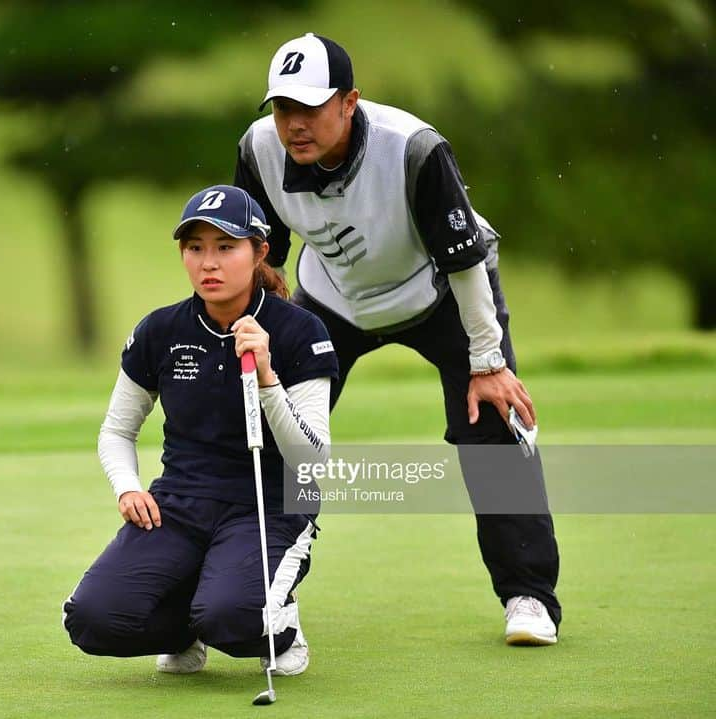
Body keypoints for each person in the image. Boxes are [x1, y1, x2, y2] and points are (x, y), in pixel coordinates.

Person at [233, 33, 561, 645]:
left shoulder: (412, 149)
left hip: (437, 292)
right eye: (282, 109)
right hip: (332, 299)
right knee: (265, 427)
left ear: (349, 102)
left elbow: (464, 261)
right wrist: (260, 345)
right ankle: (260, 594)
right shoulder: (258, 150)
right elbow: (262, 261)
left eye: (309, 108)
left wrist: (486, 359)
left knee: (488, 423)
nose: (293, 125)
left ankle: (528, 596)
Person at [62, 184, 339, 675]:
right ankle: (185, 630)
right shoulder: (161, 331)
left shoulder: (300, 331)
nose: (208, 263)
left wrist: (268, 377)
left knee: (229, 614)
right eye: (196, 248)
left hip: (267, 504)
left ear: (259, 252)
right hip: (180, 505)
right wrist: (127, 488)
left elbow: (312, 460)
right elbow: (116, 430)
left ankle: (281, 625)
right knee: (92, 620)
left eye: (226, 247)